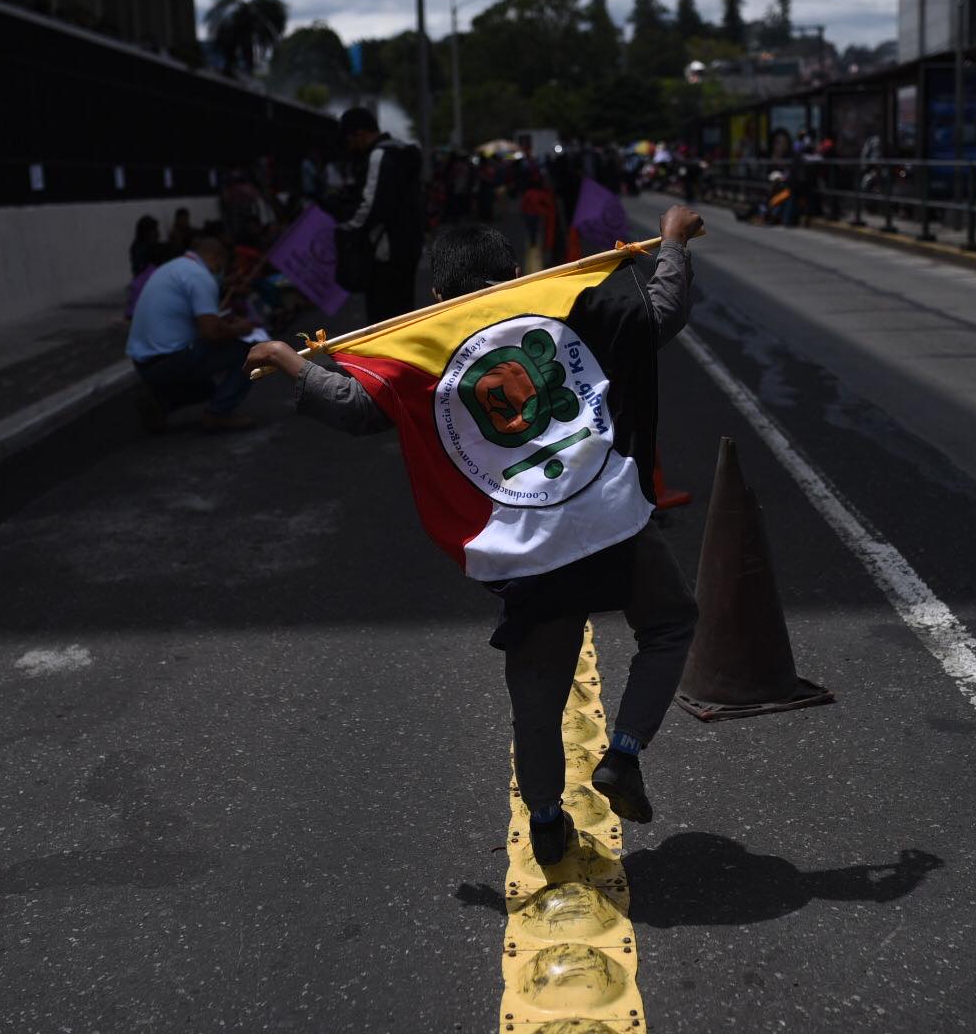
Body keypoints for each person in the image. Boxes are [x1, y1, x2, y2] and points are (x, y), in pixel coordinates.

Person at [245, 205, 704, 866]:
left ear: (435, 296)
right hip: (606, 517)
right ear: (515, 273)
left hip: (525, 545)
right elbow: (661, 312)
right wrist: (672, 243)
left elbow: (354, 408)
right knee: (668, 625)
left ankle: (546, 822)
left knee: (538, 698)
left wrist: (291, 360)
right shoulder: (564, 305)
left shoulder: (422, 343)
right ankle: (625, 752)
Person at [125, 236, 257, 433]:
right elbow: (211, 332)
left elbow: (194, 320)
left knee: (208, 389)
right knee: (254, 353)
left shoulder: (173, 268)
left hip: (144, 363)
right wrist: (241, 329)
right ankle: (217, 414)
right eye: (222, 266)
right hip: (169, 361)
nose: (220, 272)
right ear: (216, 258)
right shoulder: (200, 276)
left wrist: (223, 324)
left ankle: (159, 403)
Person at [335, 106, 425, 325]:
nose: (351, 146)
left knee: (382, 317)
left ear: (359, 133)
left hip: (385, 249)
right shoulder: (403, 152)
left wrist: (347, 229)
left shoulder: (379, 155)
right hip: (409, 244)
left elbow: (371, 203)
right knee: (403, 312)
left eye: (350, 139)